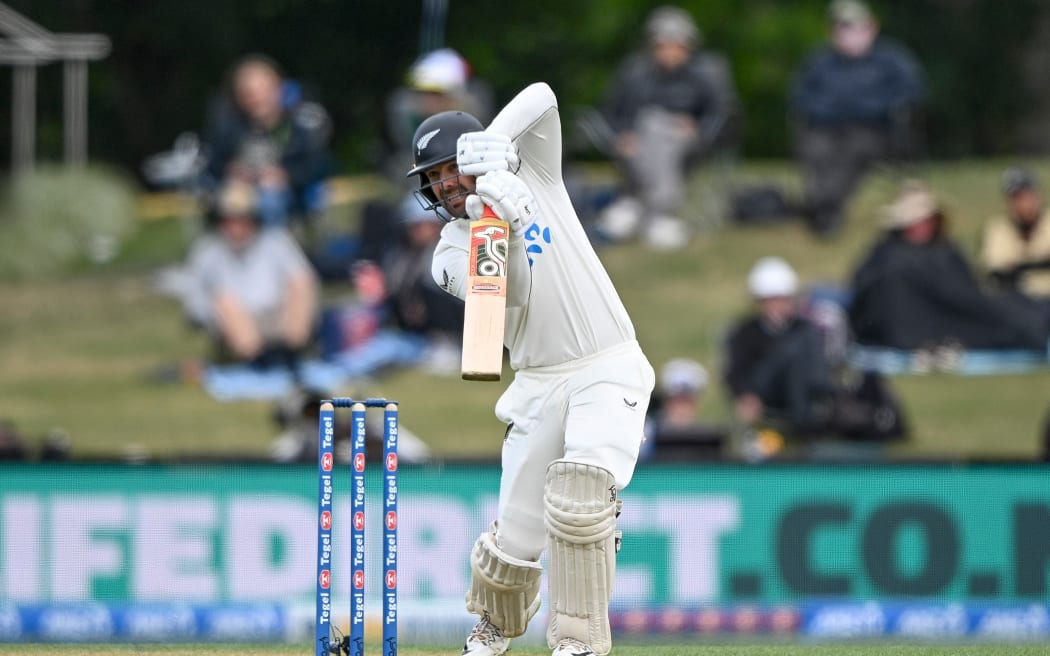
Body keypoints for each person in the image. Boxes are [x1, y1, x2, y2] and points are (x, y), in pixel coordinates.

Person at [406, 85, 655, 656]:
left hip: (607, 363)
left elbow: (542, 97)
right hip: (537, 382)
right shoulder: (448, 251)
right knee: (514, 537)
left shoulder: (536, 173)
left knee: (583, 494)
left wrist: (494, 146)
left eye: (452, 170)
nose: (445, 186)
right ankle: (491, 632)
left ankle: (578, 641)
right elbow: (508, 292)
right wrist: (507, 228)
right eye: (435, 178)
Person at [848, 181, 1049, 354]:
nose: (923, 225)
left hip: (961, 314)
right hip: (926, 326)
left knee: (1015, 312)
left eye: (927, 219)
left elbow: (968, 294)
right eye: (918, 220)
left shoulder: (945, 251)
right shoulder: (887, 255)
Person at [596, 5, 737, 249]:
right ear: (652, 46)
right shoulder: (634, 74)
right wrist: (622, 136)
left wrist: (698, 129)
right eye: (664, 45)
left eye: (678, 45)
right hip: (637, 144)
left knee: (657, 127)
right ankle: (660, 215)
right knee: (652, 126)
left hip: (688, 144)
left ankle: (634, 204)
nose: (671, 52)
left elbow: (721, 112)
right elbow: (611, 112)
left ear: (689, 46)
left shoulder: (704, 75)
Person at [790, 0, 925, 237]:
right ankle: (825, 207)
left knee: (854, 151)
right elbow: (801, 97)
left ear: (871, 28)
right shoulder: (820, 61)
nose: (847, 34)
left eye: (853, 27)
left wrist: (874, 108)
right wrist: (829, 112)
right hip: (826, 128)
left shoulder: (891, 59)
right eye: (841, 28)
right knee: (815, 150)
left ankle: (824, 209)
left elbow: (912, 92)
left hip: (874, 130)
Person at [180, 180, 319, 369]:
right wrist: (215, 316)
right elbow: (195, 302)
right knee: (224, 300)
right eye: (230, 220)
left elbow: (303, 279)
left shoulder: (276, 241)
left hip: (279, 316)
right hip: (234, 326)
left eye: (242, 219)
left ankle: (292, 351)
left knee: (301, 282)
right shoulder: (207, 252)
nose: (236, 227)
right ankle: (256, 359)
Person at [201, 53, 332, 228]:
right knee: (230, 202)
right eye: (248, 93)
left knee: (270, 198)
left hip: (286, 198)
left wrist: (285, 175)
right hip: (240, 195)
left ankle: (272, 251)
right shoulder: (230, 130)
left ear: (279, 90)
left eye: (263, 91)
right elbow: (212, 166)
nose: (257, 99)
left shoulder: (297, 129)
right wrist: (231, 171)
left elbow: (316, 167)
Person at [723, 257, 836, 444]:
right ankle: (806, 430)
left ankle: (806, 426)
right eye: (769, 299)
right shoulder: (745, 333)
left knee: (799, 353)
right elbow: (735, 371)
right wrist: (745, 395)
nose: (776, 305)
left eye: (781, 299)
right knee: (794, 349)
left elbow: (818, 368)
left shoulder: (804, 328)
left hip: (805, 390)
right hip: (767, 393)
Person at [383, 47, 494, 184]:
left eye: (437, 94)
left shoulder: (479, 146)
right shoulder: (408, 154)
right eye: (423, 93)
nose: (427, 101)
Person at [980, 167, 1050, 318]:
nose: (1025, 204)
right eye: (1018, 198)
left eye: (1028, 195)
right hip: (1020, 304)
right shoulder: (998, 229)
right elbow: (998, 268)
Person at [642, 358, 727, 461]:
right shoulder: (647, 435)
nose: (681, 409)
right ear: (666, 403)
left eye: (686, 402)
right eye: (676, 402)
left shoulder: (709, 437)